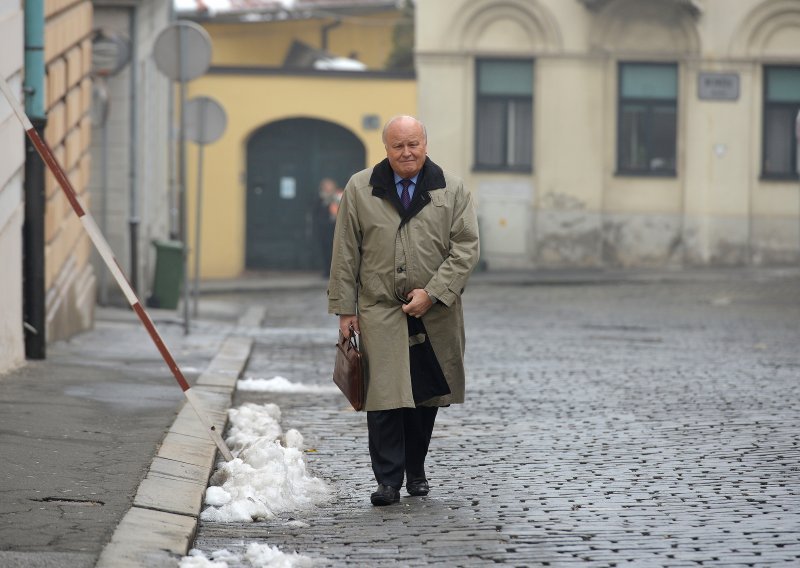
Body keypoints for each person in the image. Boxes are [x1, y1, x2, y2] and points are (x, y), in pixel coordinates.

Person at [327, 115, 480, 506]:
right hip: (379, 309)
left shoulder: (452, 189)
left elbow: (465, 248)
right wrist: (346, 311)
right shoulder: (360, 188)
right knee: (383, 398)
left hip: (435, 311)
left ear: (425, 144)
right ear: (386, 148)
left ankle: (416, 469)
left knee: (425, 396)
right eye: (398, 146)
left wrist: (433, 292)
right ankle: (388, 481)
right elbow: (345, 252)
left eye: (413, 144)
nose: (407, 152)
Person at [312, 178, 342, 277]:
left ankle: (336, 272)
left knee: (336, 252)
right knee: (326, 251)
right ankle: (326, 271)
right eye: (326, 186)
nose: (328, 188)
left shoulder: (338, 197)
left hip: (335, 229)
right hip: (324, 230)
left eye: (330, 186)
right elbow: (316, 214)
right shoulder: (320, 199)